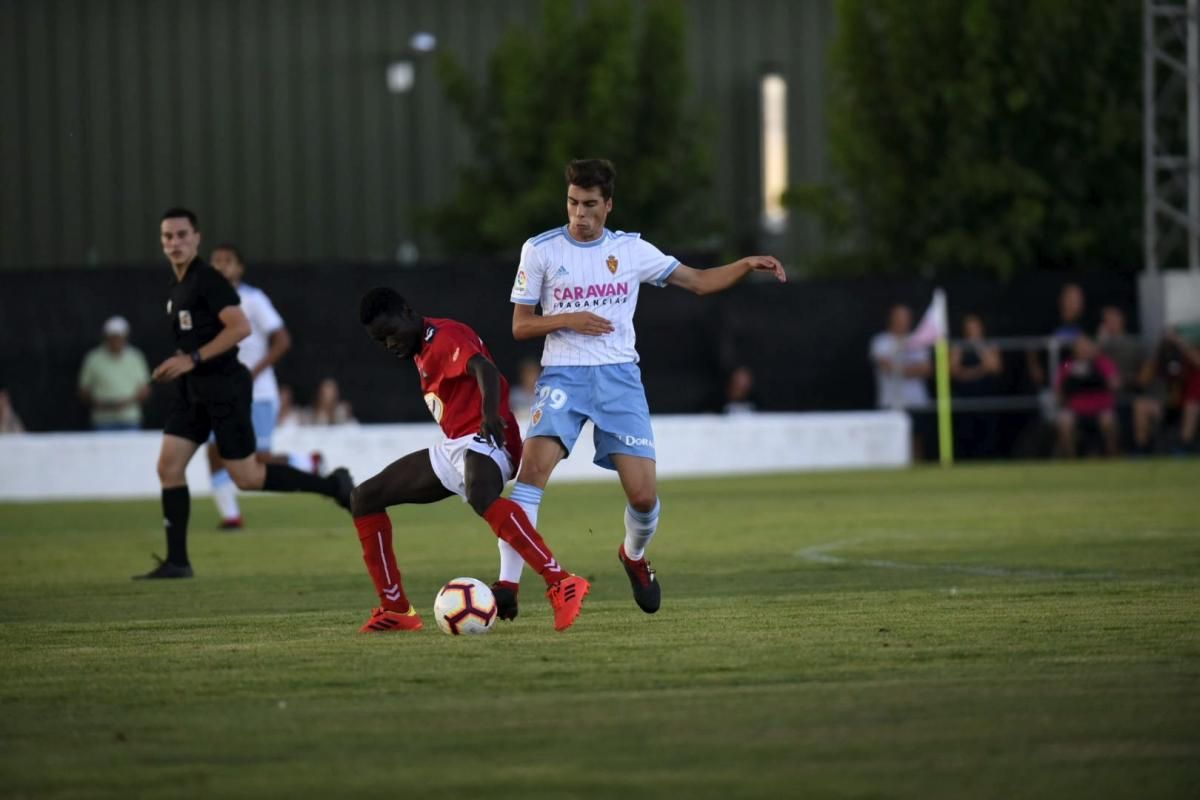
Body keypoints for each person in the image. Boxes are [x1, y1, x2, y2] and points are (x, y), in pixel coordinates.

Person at [505, 158, 786, 617]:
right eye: (573, 203)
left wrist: (744, 264)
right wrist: (570, 319)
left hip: (619, 378)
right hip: (563, 375)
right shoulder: (540, 250)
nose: (580, 214)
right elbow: (520, 326)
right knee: (530, 474)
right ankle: (507, 587)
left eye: (590, 204)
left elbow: (696, 281)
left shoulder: (631, 252)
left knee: (643, 496)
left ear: (608, 205)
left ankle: (633, 557)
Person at [350, 287, 589, 633]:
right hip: (457, 446)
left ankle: (561, 581)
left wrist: (490, 414)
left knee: (481, 494)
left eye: (390, 333)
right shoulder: (420, 349)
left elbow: (485, 369)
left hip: (490, 437)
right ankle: (397, 609)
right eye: (380, 341)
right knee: (364, 498)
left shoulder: (444, 335)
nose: (389, 344)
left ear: (407, 311)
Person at [136, 208, 354, 579]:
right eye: (167, 237)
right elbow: (198, 340)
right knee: (168, 467)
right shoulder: (177, 287)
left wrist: (193, 358)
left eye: (181, 235)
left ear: (197, 237)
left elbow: (239, 329)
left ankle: (333, 485)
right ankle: (177, 562)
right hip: (193, 392)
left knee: (248, 477)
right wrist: (179, 362)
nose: (174, 243)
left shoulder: (209, 280)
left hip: (224, 389)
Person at [204, 243, 316, 530]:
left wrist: (253, 372)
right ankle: (231, 517)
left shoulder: (253, 299)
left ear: (240, 267)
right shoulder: (204, 301)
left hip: (258, 392)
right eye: (215, 261)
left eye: (227, 261)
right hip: (223, 392)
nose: (220, 266)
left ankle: (307, 462)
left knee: (257, 459)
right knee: (214, 451)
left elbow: (283, 340)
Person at [870, 304, 933, 460]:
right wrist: (911, 370)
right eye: (899, 317)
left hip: (916, 402)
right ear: (892, 319)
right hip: (891, 401)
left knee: (917, 440)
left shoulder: (918, 341)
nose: (903, 321)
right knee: (890, 442)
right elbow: (886, 367)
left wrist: (899, 369)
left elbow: (926, 369)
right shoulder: (881, 341)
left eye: (905, 318)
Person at [77, 316, 151, 431]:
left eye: (119, 337)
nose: (116, 341)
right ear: (106, 337)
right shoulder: (93, 358)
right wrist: (100, 404)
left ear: (125, 337)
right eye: (113, 337)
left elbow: (145, 389)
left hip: (130, 420)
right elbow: (83, 390)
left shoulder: (135, 357)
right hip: (102, 421)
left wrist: (125, 403)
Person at [1054, 334, 1120, 457]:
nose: (1083, 349)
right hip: (1076, 410)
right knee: (1064, 421)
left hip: (1101, 409)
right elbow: (1058, 392)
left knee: (1108, 421)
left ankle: (1113, 456)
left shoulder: (1102, 362)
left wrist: (1097, 375)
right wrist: (1070, 383)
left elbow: (1115, 384)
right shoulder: (1068, 365)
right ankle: (1070, 458)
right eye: (1080, 346)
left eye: (1086, 345)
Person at [950, 313, 1003, 458]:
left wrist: (979, 348)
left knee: (987, 433)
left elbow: (996, 367)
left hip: (986, 397)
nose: (972, 331)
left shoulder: (989, 345)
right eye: (969, 328)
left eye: (975, 328)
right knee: (966, 433)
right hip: (966, 398)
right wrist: (980, 370)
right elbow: (954, 371)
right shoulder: (959, 347)